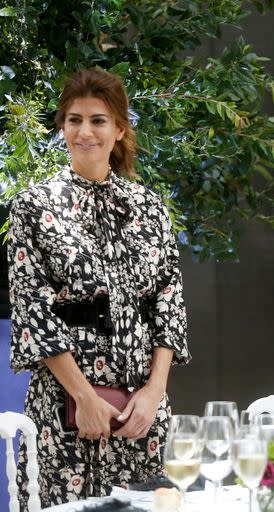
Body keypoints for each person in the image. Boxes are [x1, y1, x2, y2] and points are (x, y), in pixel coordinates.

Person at [8, 68, 189, 507]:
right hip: (67, 409)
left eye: (98, 120)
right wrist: (84, 398)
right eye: (74, 119)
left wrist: (155, 392)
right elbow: (33, 309)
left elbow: (169, 299)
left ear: (119, 129)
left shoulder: (148, 207)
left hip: (140, 410)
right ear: (62, 127)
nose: (84, 131)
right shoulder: (34, 206)